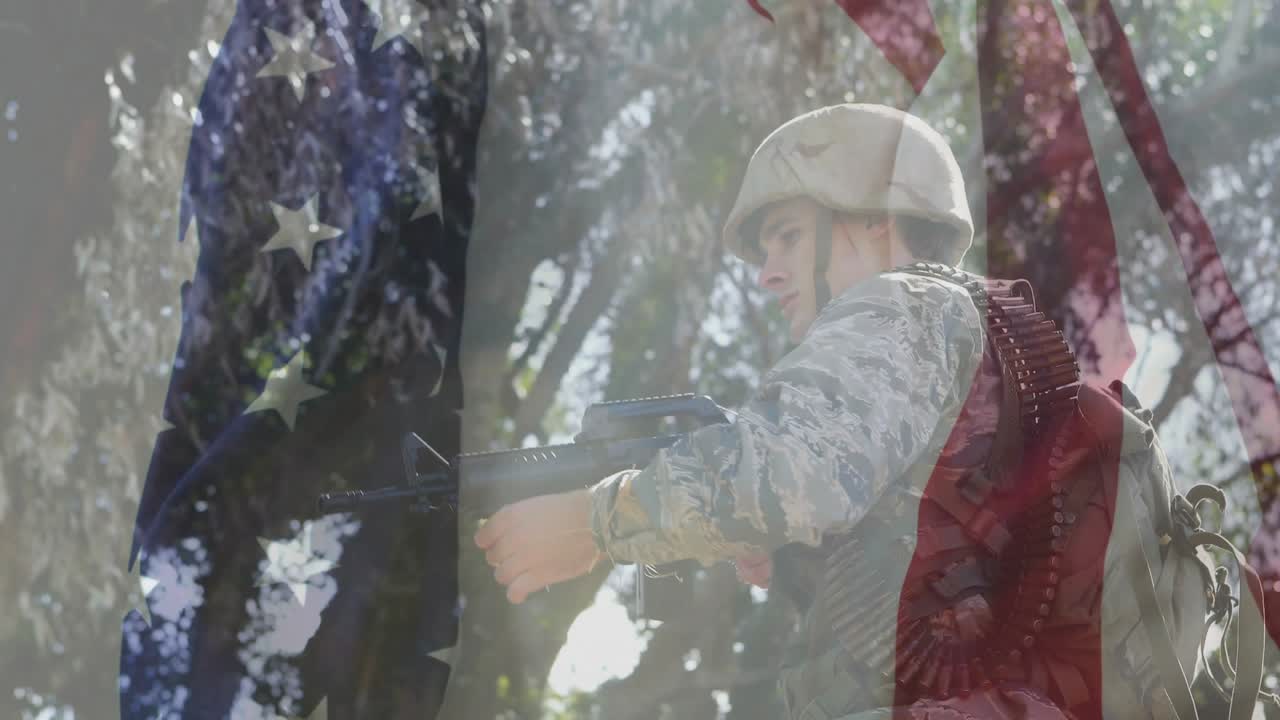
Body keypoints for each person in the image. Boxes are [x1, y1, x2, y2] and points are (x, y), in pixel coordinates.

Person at [473, 103, 1071, 718]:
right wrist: (796, 555)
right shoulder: (970, 333)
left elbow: (791, 472)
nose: (767, 275)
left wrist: (594, 520)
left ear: (874, 222)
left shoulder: (903, 304)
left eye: (788, 236)